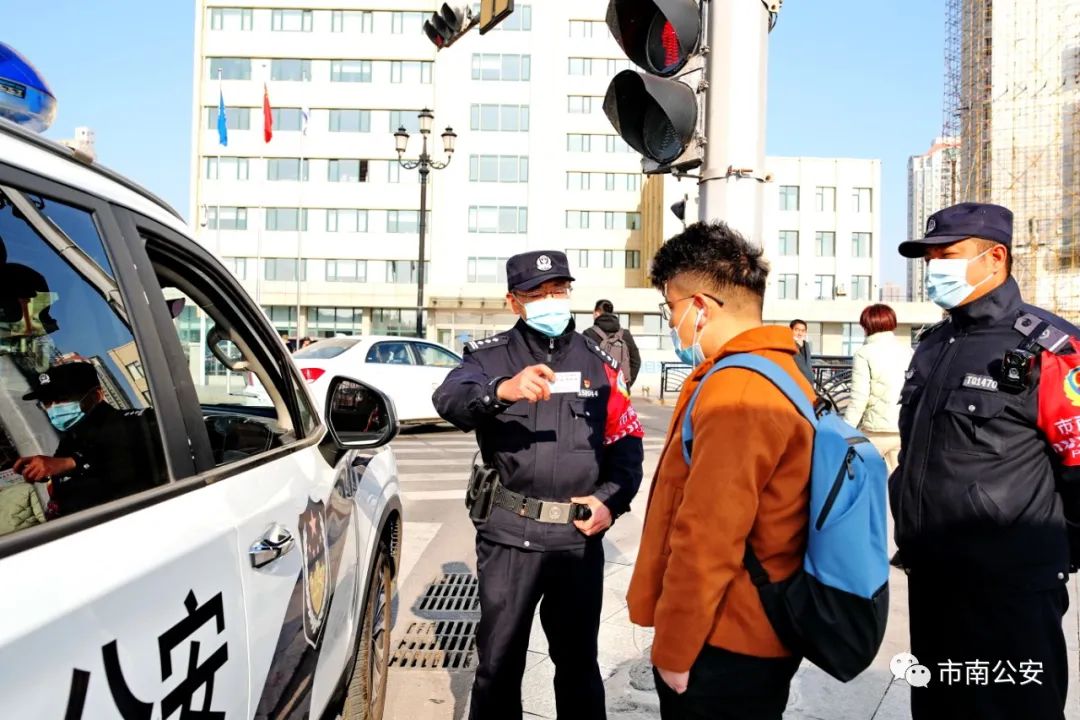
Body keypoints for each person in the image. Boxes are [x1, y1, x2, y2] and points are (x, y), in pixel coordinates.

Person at [433, 250, 645, 720]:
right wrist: (499, 391)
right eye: (536, 293)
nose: (550, 300)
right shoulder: (489, 358)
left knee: (577, 666)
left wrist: (612, 501)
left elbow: (627, 441)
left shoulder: (600, 364)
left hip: (577, 539)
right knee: (498, 667)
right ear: (514, 302)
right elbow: (448, 398)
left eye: (558, 290)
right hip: (509, 537)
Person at [893, 202, 1080, 719]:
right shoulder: (933, 345)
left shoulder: (1051, 349)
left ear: (994, 258)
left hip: (1009, 592)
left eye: (946, 256)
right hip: (933, 580)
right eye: (929, 258)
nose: (933, 269)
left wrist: (1044, 556)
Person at [626, 222, 814, 719]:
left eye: (671, 308)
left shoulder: (739, 392)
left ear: (700, 307)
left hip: (726, 638)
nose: (672, 322)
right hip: (755, 627)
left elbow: (707, 535)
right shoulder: (781, 372)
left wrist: (675, 649)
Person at [14, 362, 164, 517]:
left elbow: (129, 447)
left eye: (61, 399)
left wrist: (71, 463)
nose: (53, 408)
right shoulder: (69, 442)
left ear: (95, 396)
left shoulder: (139, 422)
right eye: (47, 402)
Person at [841, 303, 912, 472]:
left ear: (867, 325)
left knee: (862, 478)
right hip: (902, 428)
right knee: (895, 484)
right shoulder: (908, 351)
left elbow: (859, 398)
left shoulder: (864, 353)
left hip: (875, 432)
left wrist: (845, 429)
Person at [583, 299, 642, 388]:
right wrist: (627, 385)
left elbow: (582, 362)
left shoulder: (588, 334)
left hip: (596, 389)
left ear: (597, 313)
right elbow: (636, 361)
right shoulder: (625, 334)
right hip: (620, 389)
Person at [789, 319, 815, 384]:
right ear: (791, 330)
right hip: (795, 384)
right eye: (797, 330)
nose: (800, 333)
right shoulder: (788, 345)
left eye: (803, 331)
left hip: (808, 383)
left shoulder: (806, 345)